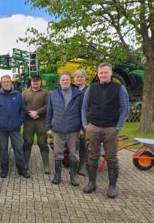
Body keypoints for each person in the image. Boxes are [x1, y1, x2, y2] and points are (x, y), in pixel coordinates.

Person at [82, 63, 129, 198]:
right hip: (93, 127)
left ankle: (112, 187)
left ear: (111, 73)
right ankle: (91, 183)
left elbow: (125, 109)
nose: (103, 75)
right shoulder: (91, 88)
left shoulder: (119, 88)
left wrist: (118, 127)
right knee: (92, 156)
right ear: (98, 74)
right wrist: (86, 125)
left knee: (111, 158)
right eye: (101, 72)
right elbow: (84, 108)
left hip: (110, 128)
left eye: (105, 72)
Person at [46, 71, 83, 186]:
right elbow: (49, 112)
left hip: (73, 129)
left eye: (67, 79)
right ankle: (57, 176)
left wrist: (82, 128)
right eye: (63, 80)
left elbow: (82, 112)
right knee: (58, 153)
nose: (65, 81)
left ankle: (74, 177)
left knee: (74, 153)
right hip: (57, 129)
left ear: (70, 81)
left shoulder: (78, 94)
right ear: (59, 81)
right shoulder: (53, 94)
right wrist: (48, 127)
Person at [0, 75, 28, 178]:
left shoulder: (18, 95)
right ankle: (4, 170)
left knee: (19, 148)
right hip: (2, 129)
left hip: (15, 128)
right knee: (3, 149)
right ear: (1, 84)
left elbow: (23, 110)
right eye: (4, 82)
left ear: (11, 83)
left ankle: (21, 169)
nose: (6, 83)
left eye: (8, 81)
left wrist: (19, 121)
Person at [22, 75, 51, 175]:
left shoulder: (46, 93)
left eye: (37, 82)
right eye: (34, 82)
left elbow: (48, 105)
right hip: (28, 121)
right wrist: (30, 112)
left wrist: (37, 112)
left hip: (41, 121)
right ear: (31, 82)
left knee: (42, 142)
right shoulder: (25, 93)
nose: (35, 83)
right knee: (27, 142)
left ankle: (46, 165)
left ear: (40, 82)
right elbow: (21, 105)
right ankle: (25, 164)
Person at [73, 69, 89, 176]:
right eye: (77, 77)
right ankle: (74, 166)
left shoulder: (89, 90)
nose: (79, 79)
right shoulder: (72, 89)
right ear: (74, 79)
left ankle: (82, 166)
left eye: (81, 77)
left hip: (85, 122)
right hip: (73, 122)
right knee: (73, 145)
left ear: (85, 78)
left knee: (84, 145)